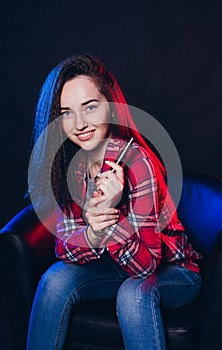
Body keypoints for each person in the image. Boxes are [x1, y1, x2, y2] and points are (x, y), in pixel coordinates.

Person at [26, 53, 202, 350]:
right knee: (55, 280)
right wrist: (93, 234)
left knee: (133, 294)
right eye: (67, 113)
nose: (80, 123)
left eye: (90, 107)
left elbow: (147, 267)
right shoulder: (72, 165)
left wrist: (110, 217)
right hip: (115, 265)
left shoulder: (137, 162)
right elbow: (63, 245)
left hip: (175, 270)